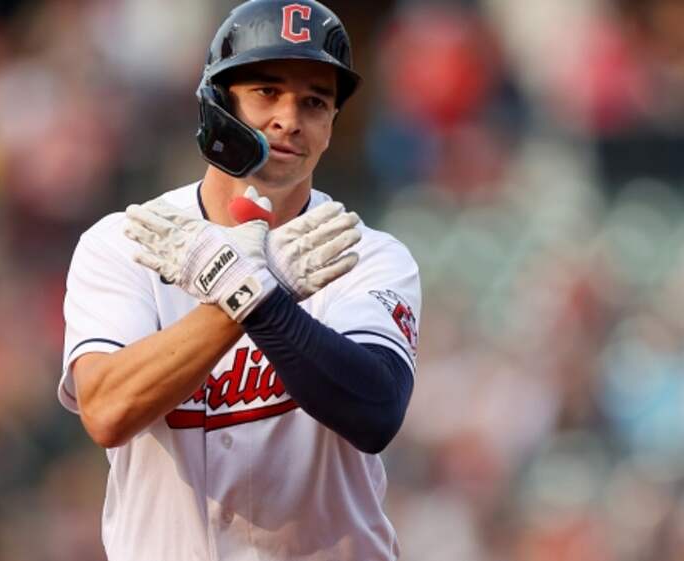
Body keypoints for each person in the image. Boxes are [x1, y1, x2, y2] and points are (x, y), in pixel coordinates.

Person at [58, 1, 420, 559]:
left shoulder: (362, 253)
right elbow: (107, 411)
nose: (289, 119)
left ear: (331, 126)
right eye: (266, 92)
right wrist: (247, 294)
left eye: (314, 102)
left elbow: (374, 413)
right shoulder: (129, 241)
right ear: (217, 103)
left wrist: (255, 298)